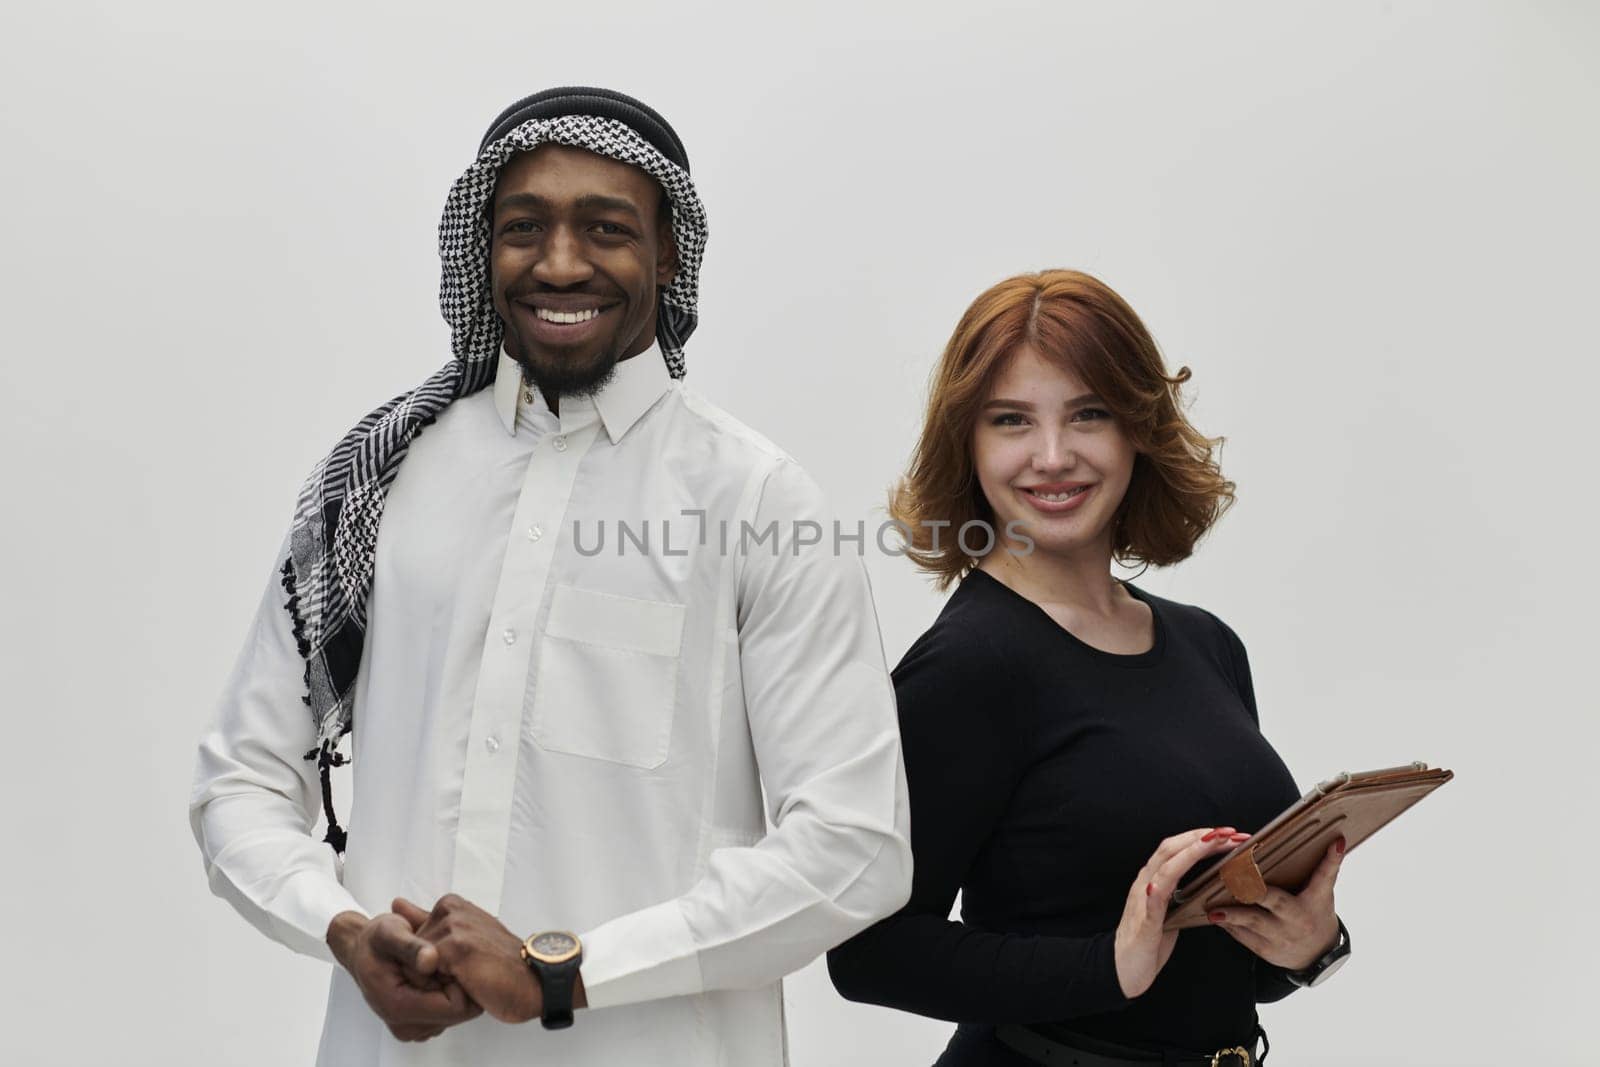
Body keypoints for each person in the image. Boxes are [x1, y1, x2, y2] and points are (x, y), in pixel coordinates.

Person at [189, 86, 912, 1067]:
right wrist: (340, 924)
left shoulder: (758, 501)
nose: (560, 262)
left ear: (667, 254)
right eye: (525, 227)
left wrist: (566, 971)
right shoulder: (377, 479)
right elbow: (240, 777)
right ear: (483, 245)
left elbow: (855, 847)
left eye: (606, 228)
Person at [826, 270, 1350, 1066]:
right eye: (1011, 421)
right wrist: (1106, 963)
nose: (1052, 455)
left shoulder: (1209, 645)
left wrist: (1309, 944)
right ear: (967, 443)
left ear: (1138, 429)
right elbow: (866, 952)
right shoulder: (967, 667)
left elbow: (1229, 968)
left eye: (1088, 414)